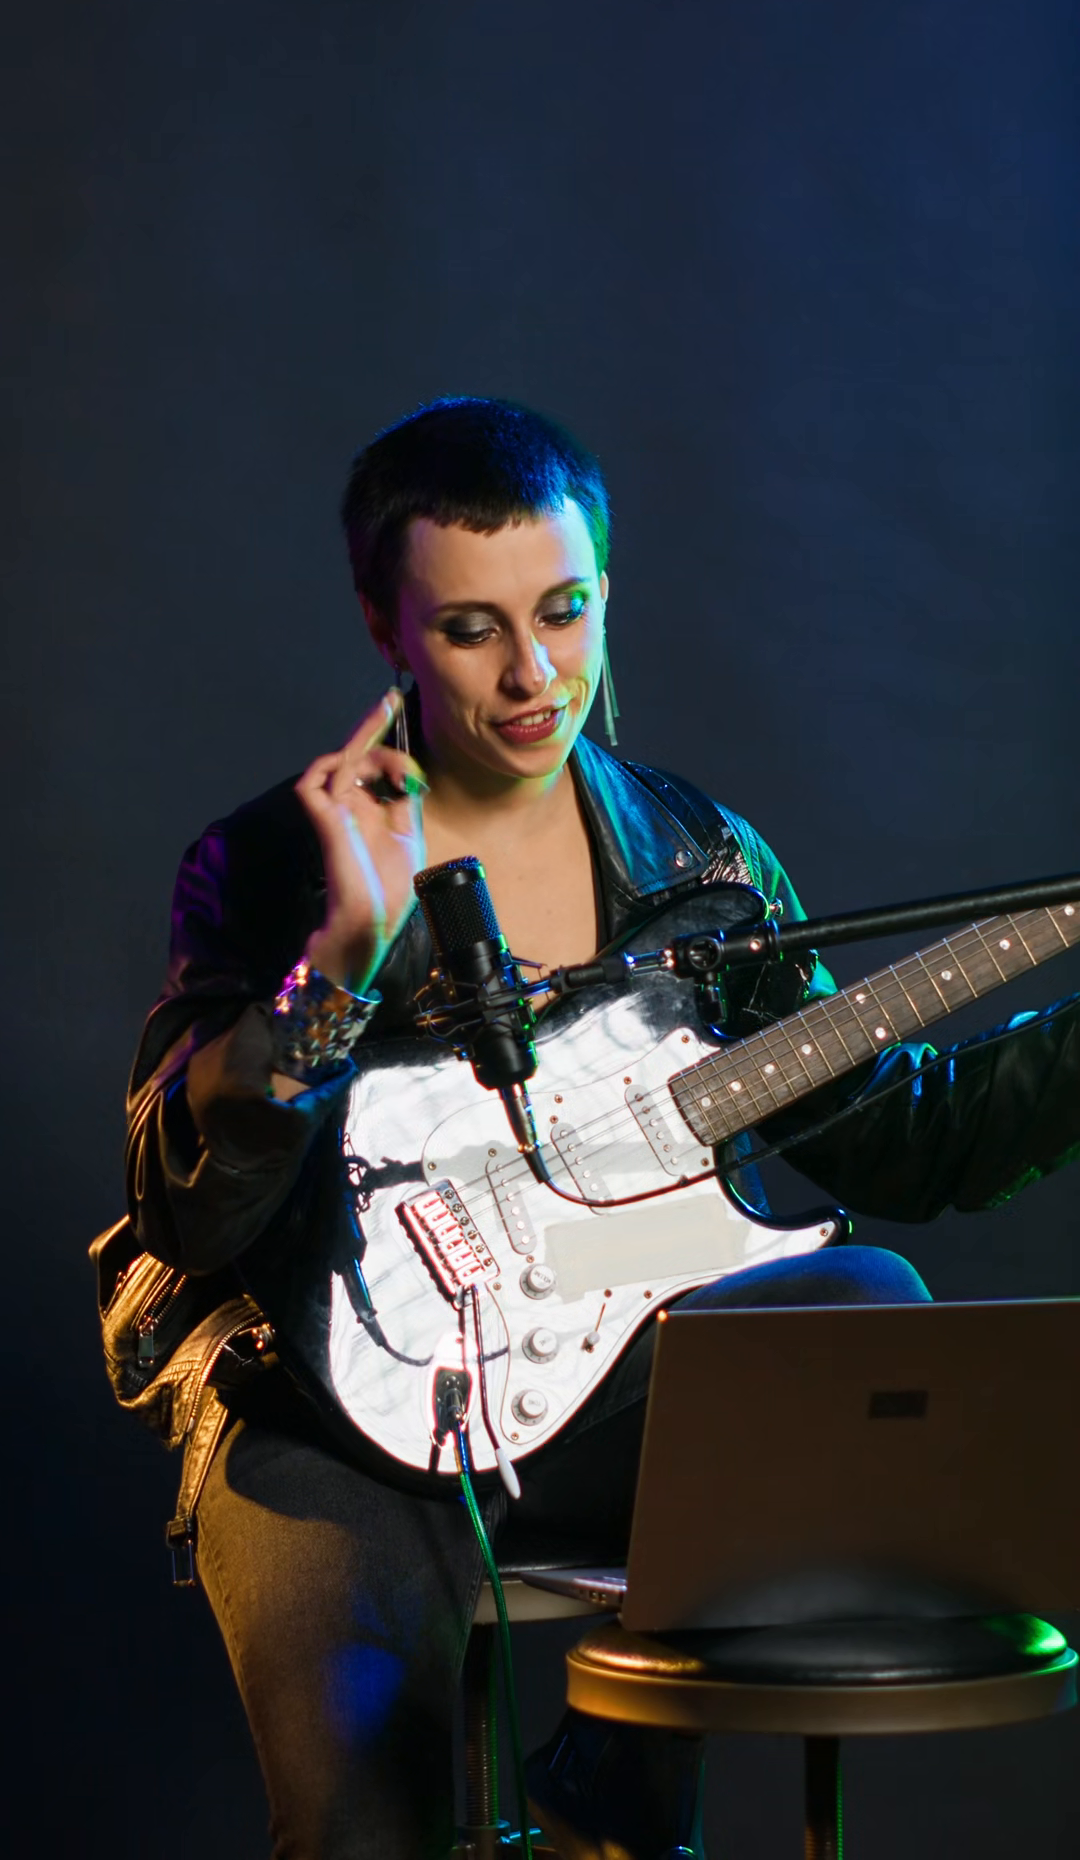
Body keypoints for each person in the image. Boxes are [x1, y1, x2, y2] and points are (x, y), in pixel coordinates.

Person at [125, 397, 1080, 1860]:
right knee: (361, 1828)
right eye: (473, 630)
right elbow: (192, 1212)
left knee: (860, 1299)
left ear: (606, 593)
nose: (534, 675)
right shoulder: (268, 866)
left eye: (565, 612)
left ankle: (607, 1786)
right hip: (325, 1418)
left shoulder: (699, 864)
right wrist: (338, 969)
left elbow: (911, 1144)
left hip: (610, 1388)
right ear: (386, 625)